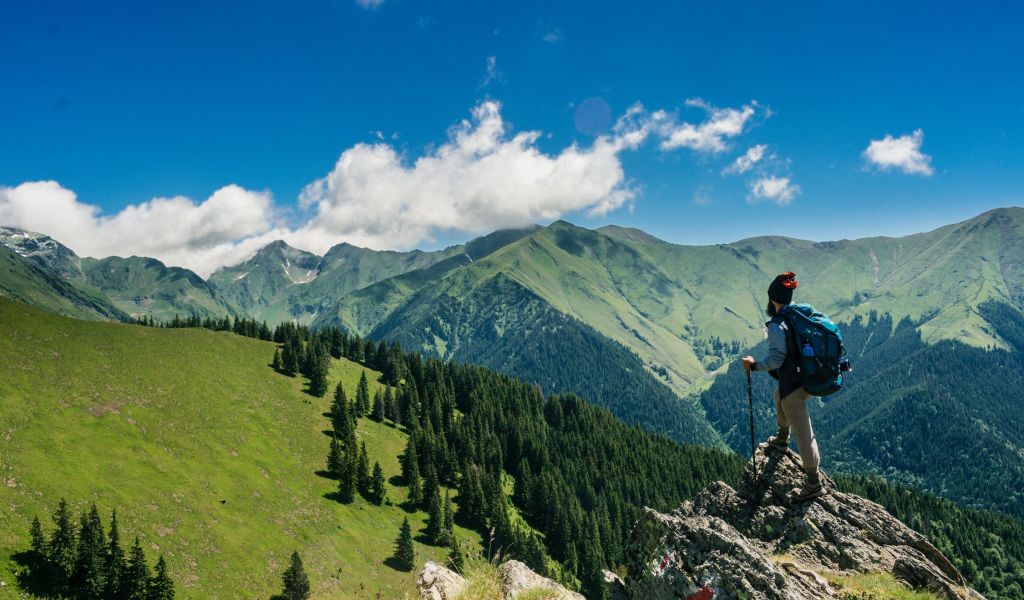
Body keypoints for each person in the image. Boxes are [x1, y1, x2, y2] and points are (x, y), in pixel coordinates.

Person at [740, 271, 824, 501]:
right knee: (779, 395)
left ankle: (813, 483)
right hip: (807, 376)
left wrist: (753, 366)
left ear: (772, 299)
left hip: (795, 385)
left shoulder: (778, 325)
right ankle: (782, 438)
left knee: (804, 432)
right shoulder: (798, 314)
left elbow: (777, 359)